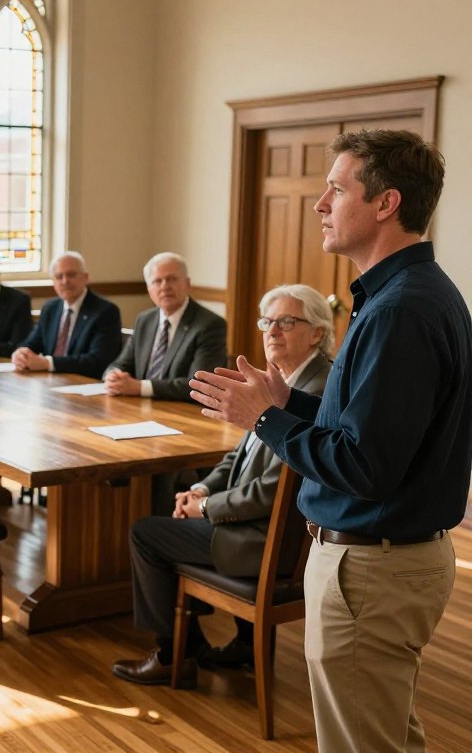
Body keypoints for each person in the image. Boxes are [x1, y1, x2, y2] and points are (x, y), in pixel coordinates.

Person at [190, 130, 471, 751]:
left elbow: (363, 464)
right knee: (388, 735)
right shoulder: (405, 296)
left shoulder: (400, 309)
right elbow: (367, 424)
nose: (320, 204)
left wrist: (264, 419)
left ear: (385, 203)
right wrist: (290, 401)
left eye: (337, 189)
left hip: (371, 566)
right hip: (386, 560)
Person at [111, 284, 332, 688]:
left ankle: (172, 652)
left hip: (267, 542)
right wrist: (201, 491)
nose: (272, 332)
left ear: (317, 333)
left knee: (146, 534)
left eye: (287, 322)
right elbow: (237, 457)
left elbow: (271, 491)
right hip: (252, 524)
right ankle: (241, 645)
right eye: (268, 322)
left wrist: (207, 508)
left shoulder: (315, 392)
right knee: (175, 510)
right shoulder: (280, 379)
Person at [104, 252, 227, 401]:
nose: (165, 287)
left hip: (183, 413)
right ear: (149, 290)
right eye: (157, 281)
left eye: (172, 279)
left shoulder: (210, 325)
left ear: (187, 284)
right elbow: (121, 363)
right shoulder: (145, 320)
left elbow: (200, 384)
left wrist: (140, 387)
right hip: (139, 407)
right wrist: (112, 375)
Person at [12, 252, 121, 379]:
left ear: (85, 277)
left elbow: (98, 361)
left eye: (71, 275)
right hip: (50, 381)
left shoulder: (105, 311)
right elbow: (31, 344)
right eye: (59, 276)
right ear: (53, 282)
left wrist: (48, 363)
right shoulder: (50, 308)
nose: (65, 281)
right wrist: (21, 354)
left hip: (84, 384)